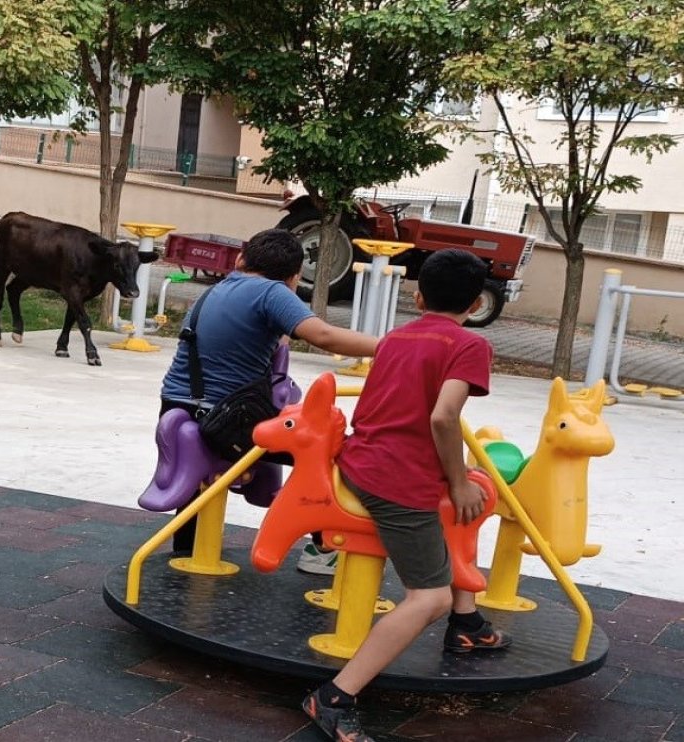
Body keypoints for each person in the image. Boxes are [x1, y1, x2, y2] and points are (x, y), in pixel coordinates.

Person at [303, 249, 512, 742]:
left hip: (361, 460)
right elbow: (443, 416)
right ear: (477, 301)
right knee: (429, 596)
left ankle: (469, 622)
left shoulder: (397, 336)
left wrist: (455, 481)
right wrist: (458, 479)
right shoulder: (469, 345)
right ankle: (334, 695)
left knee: (461, 510)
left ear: (417, 298)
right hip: (395, 481)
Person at [159, 228, 378, 565]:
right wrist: (392, 346)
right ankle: (323, 547)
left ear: (240, 259)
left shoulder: (219, 288)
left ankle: (186, 554)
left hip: (177, 405)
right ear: (293, 279)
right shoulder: (272, 292)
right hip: (228, 420)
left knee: (198, 483)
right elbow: (323, 335)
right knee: (331, 451)